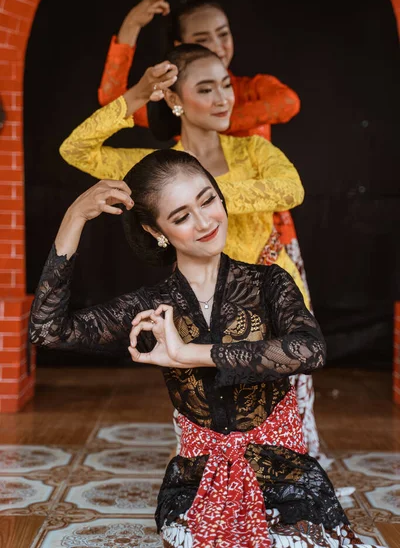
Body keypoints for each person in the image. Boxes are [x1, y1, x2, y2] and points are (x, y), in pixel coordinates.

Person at [29, 149, 380, 548]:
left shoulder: (268, 283)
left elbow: (310, 351)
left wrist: (189, 353)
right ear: (155, 231)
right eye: (180, 217)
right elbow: (47, 330)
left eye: (208, 200)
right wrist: (74, 218)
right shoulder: (153, 306)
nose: (204, 222)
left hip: (284, 478)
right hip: (196, 483)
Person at [60, 43, 325, 463]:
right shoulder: (159, 166)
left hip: (270, 297)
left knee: (286, 419)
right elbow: (75, 150)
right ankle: (210, 505)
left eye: (225, 85)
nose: (223, 98)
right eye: (206, 89)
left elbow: (291, 190)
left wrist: (194, 198)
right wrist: (136, 95)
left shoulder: (252, 151)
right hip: (199, 308)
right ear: (175, 100)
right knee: (209, 421)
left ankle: (294, 499)